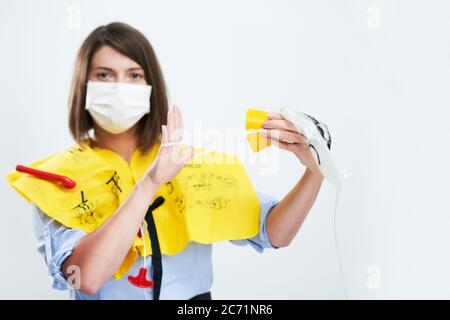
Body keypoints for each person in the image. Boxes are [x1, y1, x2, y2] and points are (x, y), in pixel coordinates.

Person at [7, 22, 324, 300]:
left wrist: (316, 167)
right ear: (84, 86)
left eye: (134, 75)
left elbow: (275, 232)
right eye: (104, 75)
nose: (120, 87)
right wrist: (150, 183)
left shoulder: (190, 162)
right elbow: (86, 278)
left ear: (150, 87)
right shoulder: (55, 178)